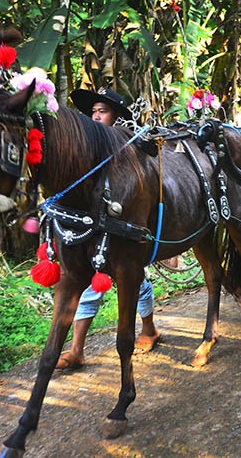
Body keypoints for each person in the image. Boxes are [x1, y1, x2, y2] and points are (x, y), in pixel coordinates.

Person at [56, 87, 162, 370]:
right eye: (93, 112)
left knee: (137, 280)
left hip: (126, 225)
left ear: (115, 116)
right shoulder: (87, 147)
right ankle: (77, 349)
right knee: (92, 285)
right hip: (94, 227)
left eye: (102, 111)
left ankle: (149, 329)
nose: (96, 116)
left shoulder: (129, 146)